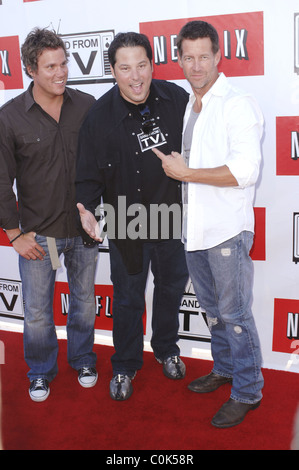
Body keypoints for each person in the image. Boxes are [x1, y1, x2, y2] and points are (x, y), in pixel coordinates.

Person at [153, 20, 264, 428]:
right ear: (179, 59)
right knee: (214, 313)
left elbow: (246, 170)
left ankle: (249, 390)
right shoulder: (191, 104)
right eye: (189, 57)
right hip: (195, 231)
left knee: (234, 314)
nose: (196, 65)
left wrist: (188, 174)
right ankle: (225, 369)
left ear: (219, 56)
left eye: (204, 56)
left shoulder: (236, 103)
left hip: (226, 231)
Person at [76, 32, 189, 401]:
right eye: (125, 68)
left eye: (142, 65)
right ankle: (124, 364)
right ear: (113, 71)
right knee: (127, 298)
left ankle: (166, 347)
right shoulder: (98, 116)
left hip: (170, 215)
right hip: (127, 220)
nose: (135, 76)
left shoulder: (177, 99)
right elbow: (88, 175)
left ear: (152, 65)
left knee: (171, 290)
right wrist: (87, 211)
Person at [0, 28, 99, 402]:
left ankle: (84, 358)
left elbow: (103, 164)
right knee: (38, 311)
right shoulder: (9, 118)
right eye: (50, 66)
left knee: (85, 301)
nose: (60, 73)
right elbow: (0, 180)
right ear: (30, 69)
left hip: (84, 231)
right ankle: (40, 370)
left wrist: (101, 212)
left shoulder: (87, 105)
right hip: (41, 236)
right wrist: (13, 233)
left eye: (64, 64)